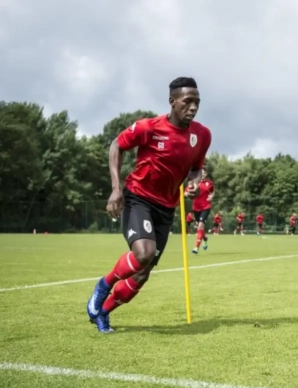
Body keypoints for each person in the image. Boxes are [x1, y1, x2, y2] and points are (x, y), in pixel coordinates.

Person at [86, 77, 212, 333]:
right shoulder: (149, 127)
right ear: (172, 101)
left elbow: (196, 169)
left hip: (167, 208)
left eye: (197, 102)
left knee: (142, 274)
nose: (193, 107)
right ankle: (104, 285)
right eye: (187, 101)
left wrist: (194, 184)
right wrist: (116, 189)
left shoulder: (202, 135)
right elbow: (116, 145)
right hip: (138, 198)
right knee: (144, 253)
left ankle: (103, 313)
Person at [188, 167, 214, 253]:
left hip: (206, 207)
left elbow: (212, 191)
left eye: (204, 173)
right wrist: (188, 194)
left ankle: (196, 247)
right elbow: (187, 191)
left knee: (200, 226)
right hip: (196, 208)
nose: (203, 174)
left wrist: (212, 196)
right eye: (201, 173)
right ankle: (205, 238)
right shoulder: (194, 182)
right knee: (199, 227)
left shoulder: (209, 183)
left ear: (206, 174)